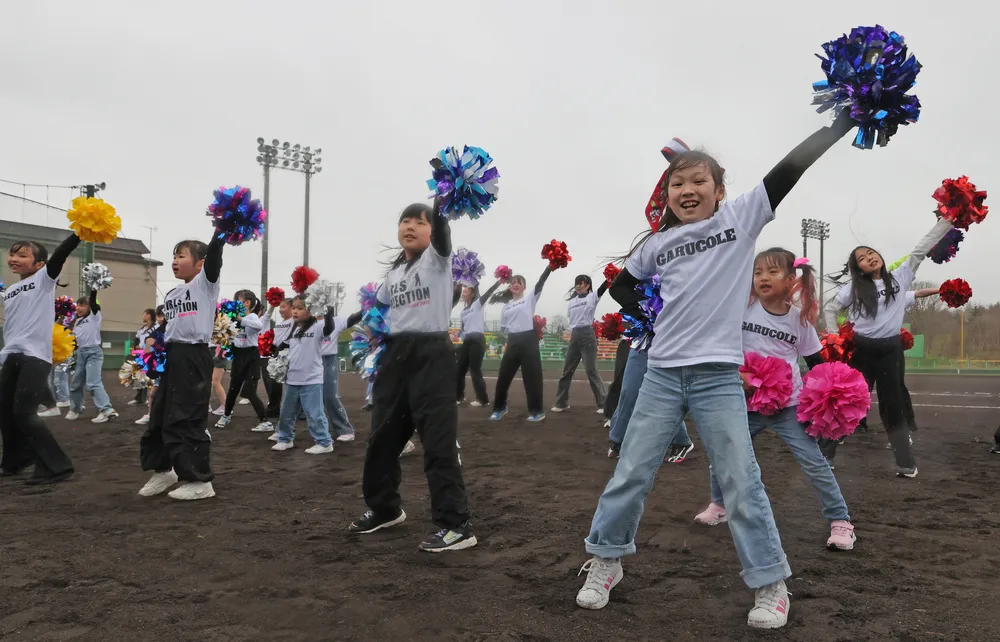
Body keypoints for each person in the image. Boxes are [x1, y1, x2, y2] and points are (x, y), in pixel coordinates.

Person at [575, 110, 856, 629]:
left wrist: (836, 127)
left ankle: (770, 584)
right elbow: (621, 287)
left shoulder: (739, 220)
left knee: (741, 481)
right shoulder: (657, 245)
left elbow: (789, 169)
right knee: (631, 473)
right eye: (677, 183)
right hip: (661, 376)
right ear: (667, 195)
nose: (687, 189)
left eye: (698, 181)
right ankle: (607, 560)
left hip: (718, 379)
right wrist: (652, 314)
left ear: (719, 190)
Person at [693, 249, 855, 552]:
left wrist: (831, 397)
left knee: (814, 461)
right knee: (722, 452)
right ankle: (720, 504)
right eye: (757, 273)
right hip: (744, 401)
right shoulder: (742, 308)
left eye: (772, 272)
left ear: (791, 279)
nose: (763, 278)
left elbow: (815, 362)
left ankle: (840, 520)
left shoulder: (800, 320)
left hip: (787, 405)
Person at [348, 200, 475, 553]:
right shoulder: (394, 276)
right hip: (395, 356)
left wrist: (442, 199)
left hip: (432, 354)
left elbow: (443, 228)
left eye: (421, 222)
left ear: (432, 231)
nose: (411, 226)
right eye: (405, 221)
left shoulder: (437, 260)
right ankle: (385, 508)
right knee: (382, 438)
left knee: (437, 441)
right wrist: (364, 334)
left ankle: (456, 525)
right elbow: (378, 310)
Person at [823, 219, 952, 478]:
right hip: (861, 351)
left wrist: (946, 222)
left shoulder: (901, 277)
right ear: (857, 269)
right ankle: (825, 456)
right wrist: (834, 337)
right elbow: (830, 308)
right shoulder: (855, 288)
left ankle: (906, 463)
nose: (869, 258)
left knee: (892, 406)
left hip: (890, 352)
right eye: (862, 258)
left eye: (871, 253)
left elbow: (921, 248)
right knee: (845, 402)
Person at [137, 236, 224, 501]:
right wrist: (153, 357)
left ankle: (199, 481)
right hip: (172, 355)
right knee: (159, 415)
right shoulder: (173, 294)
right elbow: (168, 328)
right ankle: (164, 470)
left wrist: (221, 231)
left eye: (181, 256)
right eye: (174, 256)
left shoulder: (205, 284)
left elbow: (215, 255)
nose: (175, 261)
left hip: (193, 355)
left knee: (186, 418)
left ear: (200, 264)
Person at [0, 236, 79, 484]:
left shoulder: (44, 280)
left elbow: (61, 253)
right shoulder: (10, 291)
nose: (14, 259)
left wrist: (79, 233)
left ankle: (57, 466)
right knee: (5, 411)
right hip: (11, 354)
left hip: (34, 356)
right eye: (13, 254)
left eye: (22, 255)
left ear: (39, 264)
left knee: (24, 412)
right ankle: (16, 461)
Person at [272, 296, 360, 453]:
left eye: (300, 308)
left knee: (314, 413)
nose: (295, 311)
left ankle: (324, 442)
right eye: (294, 308)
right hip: (293, 379)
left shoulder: (318, 327)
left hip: (311, 379)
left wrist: (328, 311)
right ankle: (285, 438)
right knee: (286, 412)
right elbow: (284, 346)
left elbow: (329, 328)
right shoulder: (294, 328)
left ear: (311, 311)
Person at [488, 268, 552, 422]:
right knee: (503, 377)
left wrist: (549, 268)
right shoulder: (506, 307)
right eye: (513, 283)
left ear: (524, 286)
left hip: (528, 339)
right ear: (510, 287)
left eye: (519, 282)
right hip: (513, 340)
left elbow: (541, 282)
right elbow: (504, 328)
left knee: (532, 378)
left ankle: (537, 411)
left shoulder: (529, 299)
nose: (515, 284)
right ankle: (499, 408)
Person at [215, 290, 271, 432]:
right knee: (233, 388)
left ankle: (265, 421)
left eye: (237, 300)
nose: (234, 303)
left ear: (247, 303)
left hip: (251, 356)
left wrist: (240, 319)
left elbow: (258, 326)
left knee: (250, 391)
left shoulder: (252, 316)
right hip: (238, 355)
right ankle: (226, 415)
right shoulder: (232, 318)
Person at [552, 274, 608, 413]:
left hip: (587, 334)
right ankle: (561, 403)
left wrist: (611, 276)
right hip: (575, 334)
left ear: (587, 285)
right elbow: (571, 320)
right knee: (567, 371)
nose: (578, 285)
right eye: (576, 283)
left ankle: (603, 404)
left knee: (591, 370)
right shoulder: (572, 302)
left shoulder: (592, 297)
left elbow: (604, 287)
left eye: (581, 283)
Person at [66, 292, 118, 423]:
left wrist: (94, 290)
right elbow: (74, 339)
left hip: (93, 353)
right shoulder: (77, 321)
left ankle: (106, 410)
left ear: (89, 307)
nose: (78, 308)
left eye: (82, 305)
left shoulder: (94, 316)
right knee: (75, 384)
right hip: (80, 354)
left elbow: (94, 303)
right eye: (77, 305)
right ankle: (76, 408)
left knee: (93, 383)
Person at [456, 279, 501, 407]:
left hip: (477, 339)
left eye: (466, 291)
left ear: (472, 293)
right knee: (459, 369)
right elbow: (463, 327)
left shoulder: (477, 304)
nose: (463, 293)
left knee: (474, 369)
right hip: (467, 340)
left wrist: (498, 282)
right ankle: (459, 396)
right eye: (463, 291)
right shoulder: (463, 312)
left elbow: (488, 292)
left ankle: (483, 399)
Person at [321, 308, 357, 443]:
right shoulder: (306, 322)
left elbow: (353, 319)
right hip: (309, 361)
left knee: (329, 396)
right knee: (296, 396)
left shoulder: (337, 320)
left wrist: (367, 307)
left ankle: (344, 429)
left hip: (328, 360)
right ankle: (283, 432)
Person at [261, 298, 294, 419]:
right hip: (276, 352)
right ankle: (274, 408)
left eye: (283, 307)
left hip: (287, 352)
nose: (280, 310)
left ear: (292, 308)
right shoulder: (281, 322)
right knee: (273, 380)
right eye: (280, 307)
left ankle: (296, 410)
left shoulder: (294, 321)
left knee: (292, 383)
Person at [135, 307, 166, 426]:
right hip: (161, 367)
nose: (161, 319)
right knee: (153, 393)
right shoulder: (157, 330)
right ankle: (151, 415)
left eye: (163, 316)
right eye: (159, 316)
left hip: (171, 367)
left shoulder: (172, 329)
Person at [129, 308, 157, 408]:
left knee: (151, 377)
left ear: (148, 315)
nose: (143, 316)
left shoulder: (156, 327)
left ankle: (152, 398)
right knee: (139, 376)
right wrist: (136, 346)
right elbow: (136, 339)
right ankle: (140, 398)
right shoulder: (142, 329)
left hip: (151, 355)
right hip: (141, 355)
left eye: (144, 314)